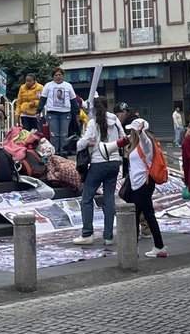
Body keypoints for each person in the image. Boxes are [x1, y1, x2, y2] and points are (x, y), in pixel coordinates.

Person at [71, 96, 124, 246]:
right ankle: (108, 236)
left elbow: (83, 143)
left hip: (98, 163)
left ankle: (87, 233)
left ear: (94, 108)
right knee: (109, 199)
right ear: (107, 106)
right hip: (114, 162)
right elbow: (123, 137)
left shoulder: (93, 123)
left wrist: (82, 143)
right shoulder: (115, 120)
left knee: (87, 198)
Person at [125, 119, 167, 258]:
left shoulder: (146, 144)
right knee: (141, 215)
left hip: (144, 184)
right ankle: (153, 247)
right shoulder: (136, 145)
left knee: (146, 214)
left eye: (132, 130)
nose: (130, 132)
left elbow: (145, 140)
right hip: (138, 184)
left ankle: (157, 247)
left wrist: (140, 132)